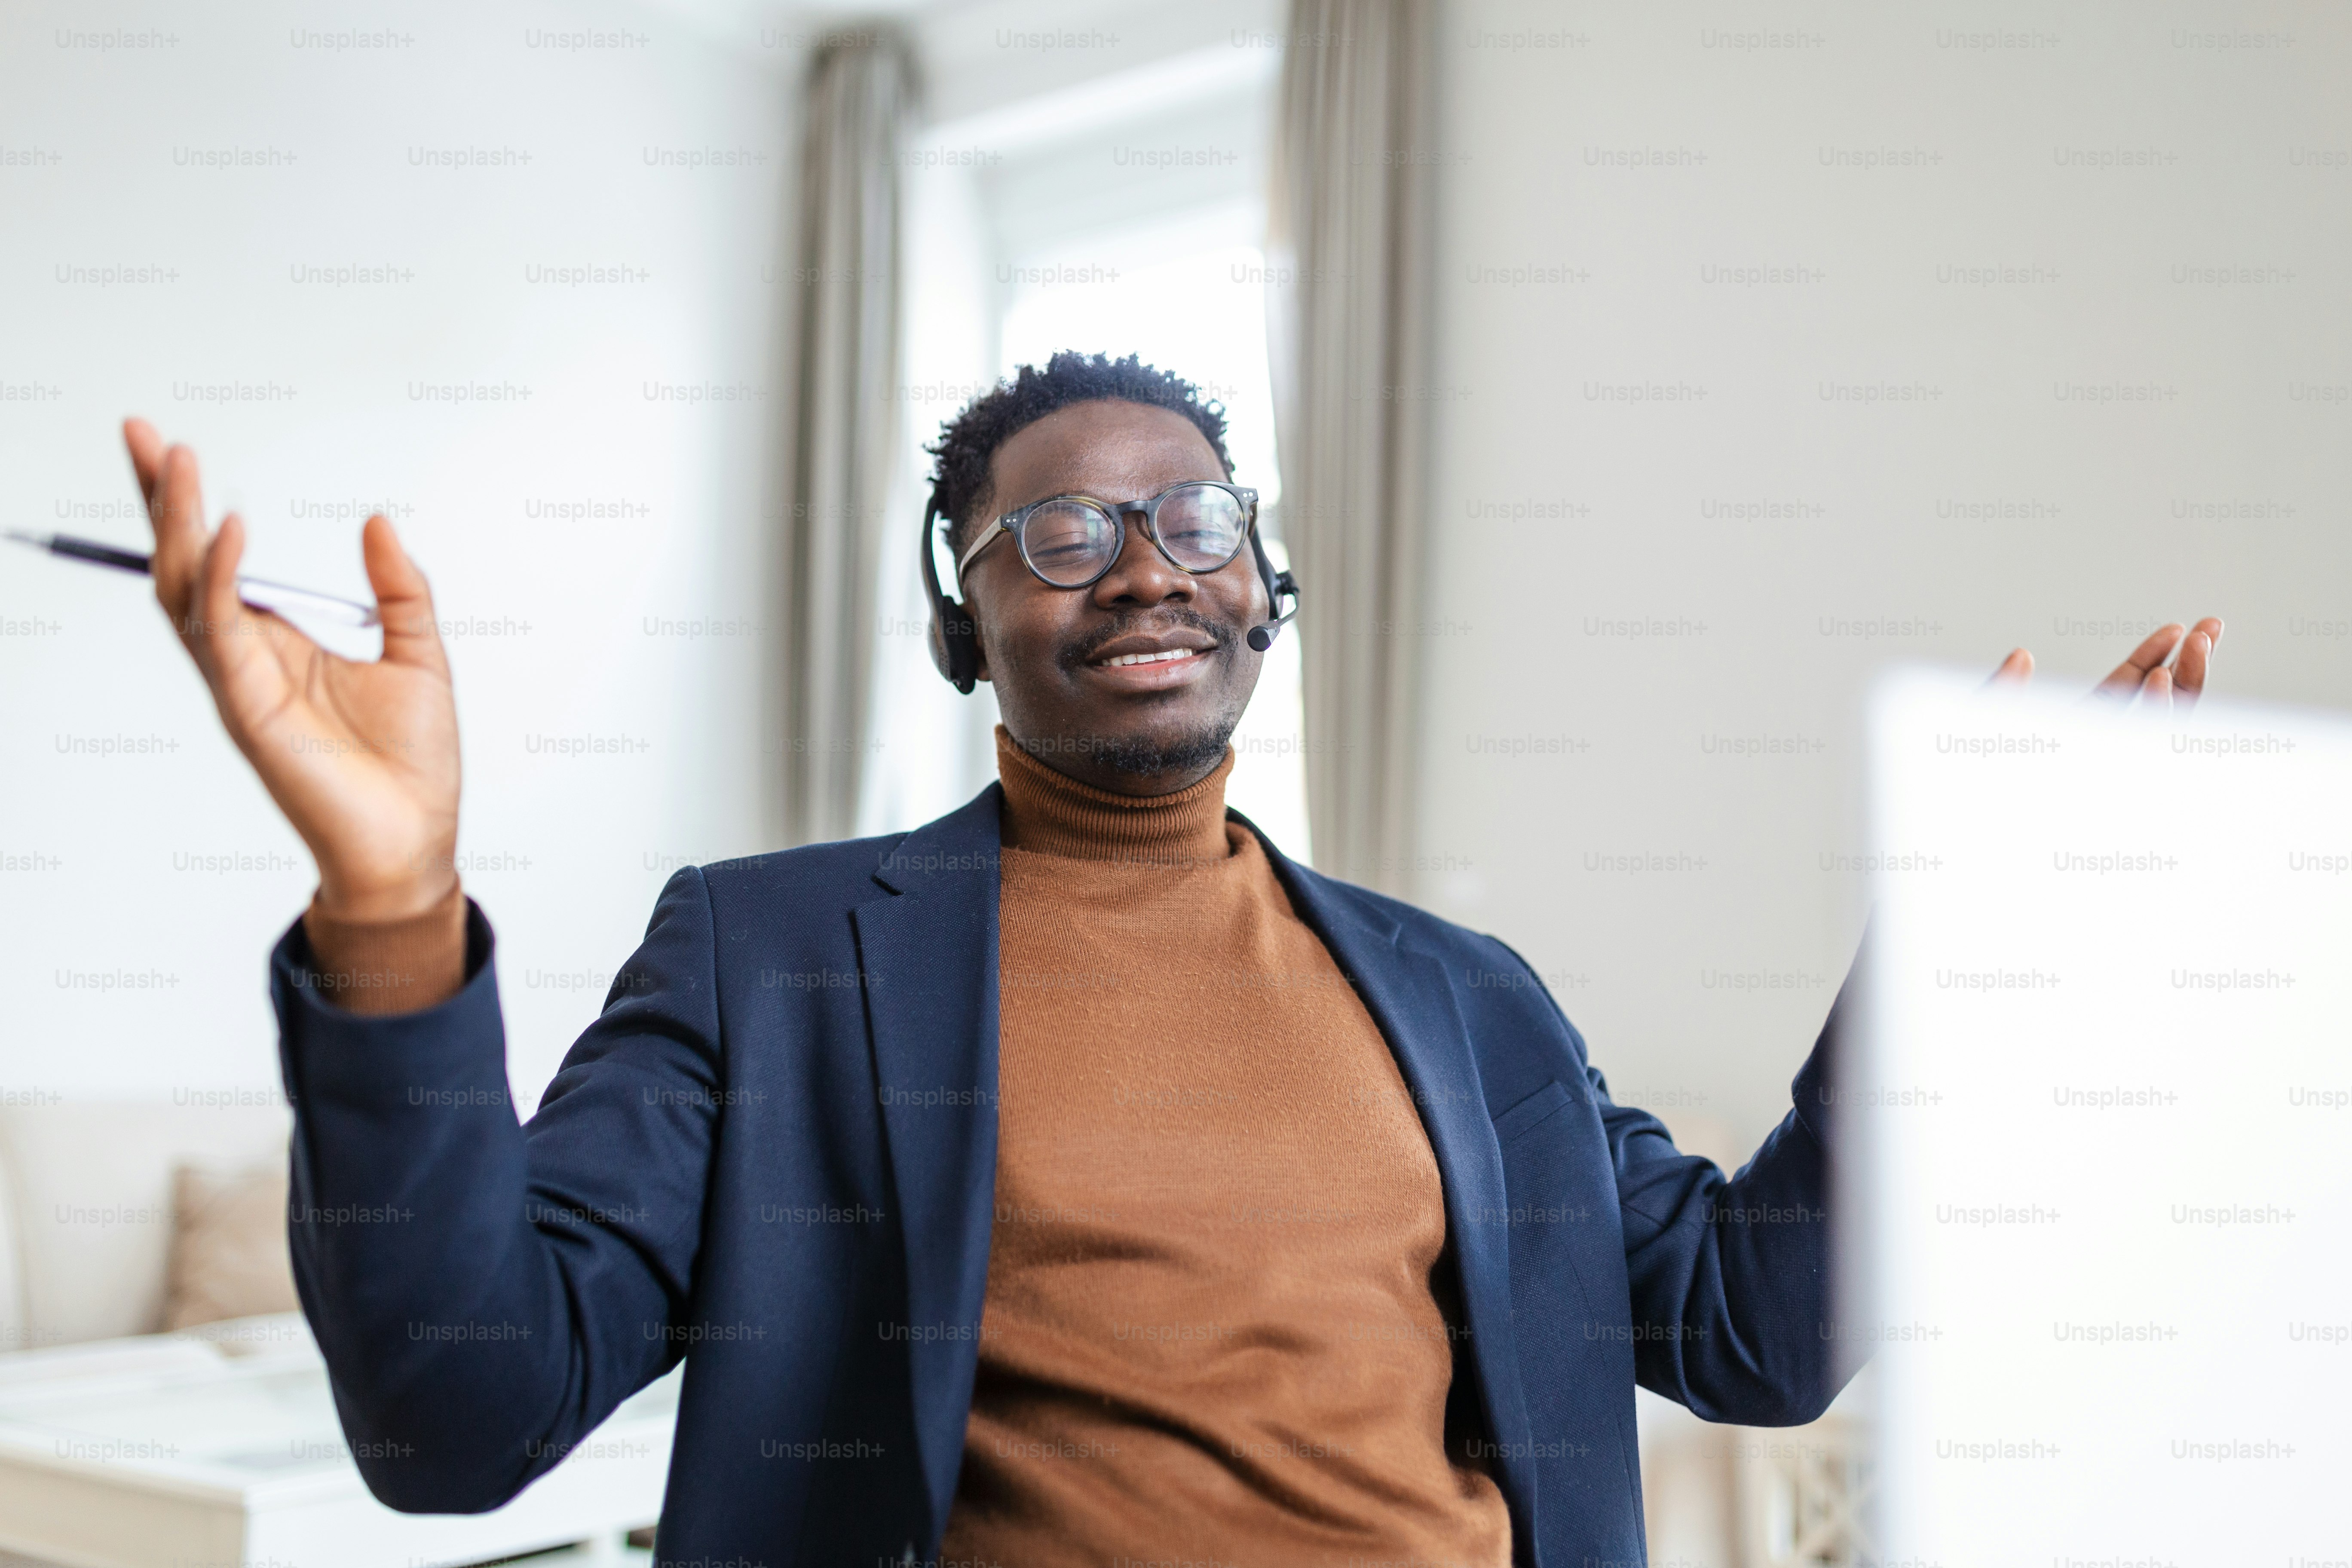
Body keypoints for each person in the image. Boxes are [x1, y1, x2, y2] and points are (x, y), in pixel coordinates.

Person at [123, 351, 2221, 1568]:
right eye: (1053, 531)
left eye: (1198, 519)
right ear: (965, 629)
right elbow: (463, 1417)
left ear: (1264, 591)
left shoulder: (1464, 994)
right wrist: (394, 910)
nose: (1140, 559)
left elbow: (1751, 1332)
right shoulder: (770, 957)